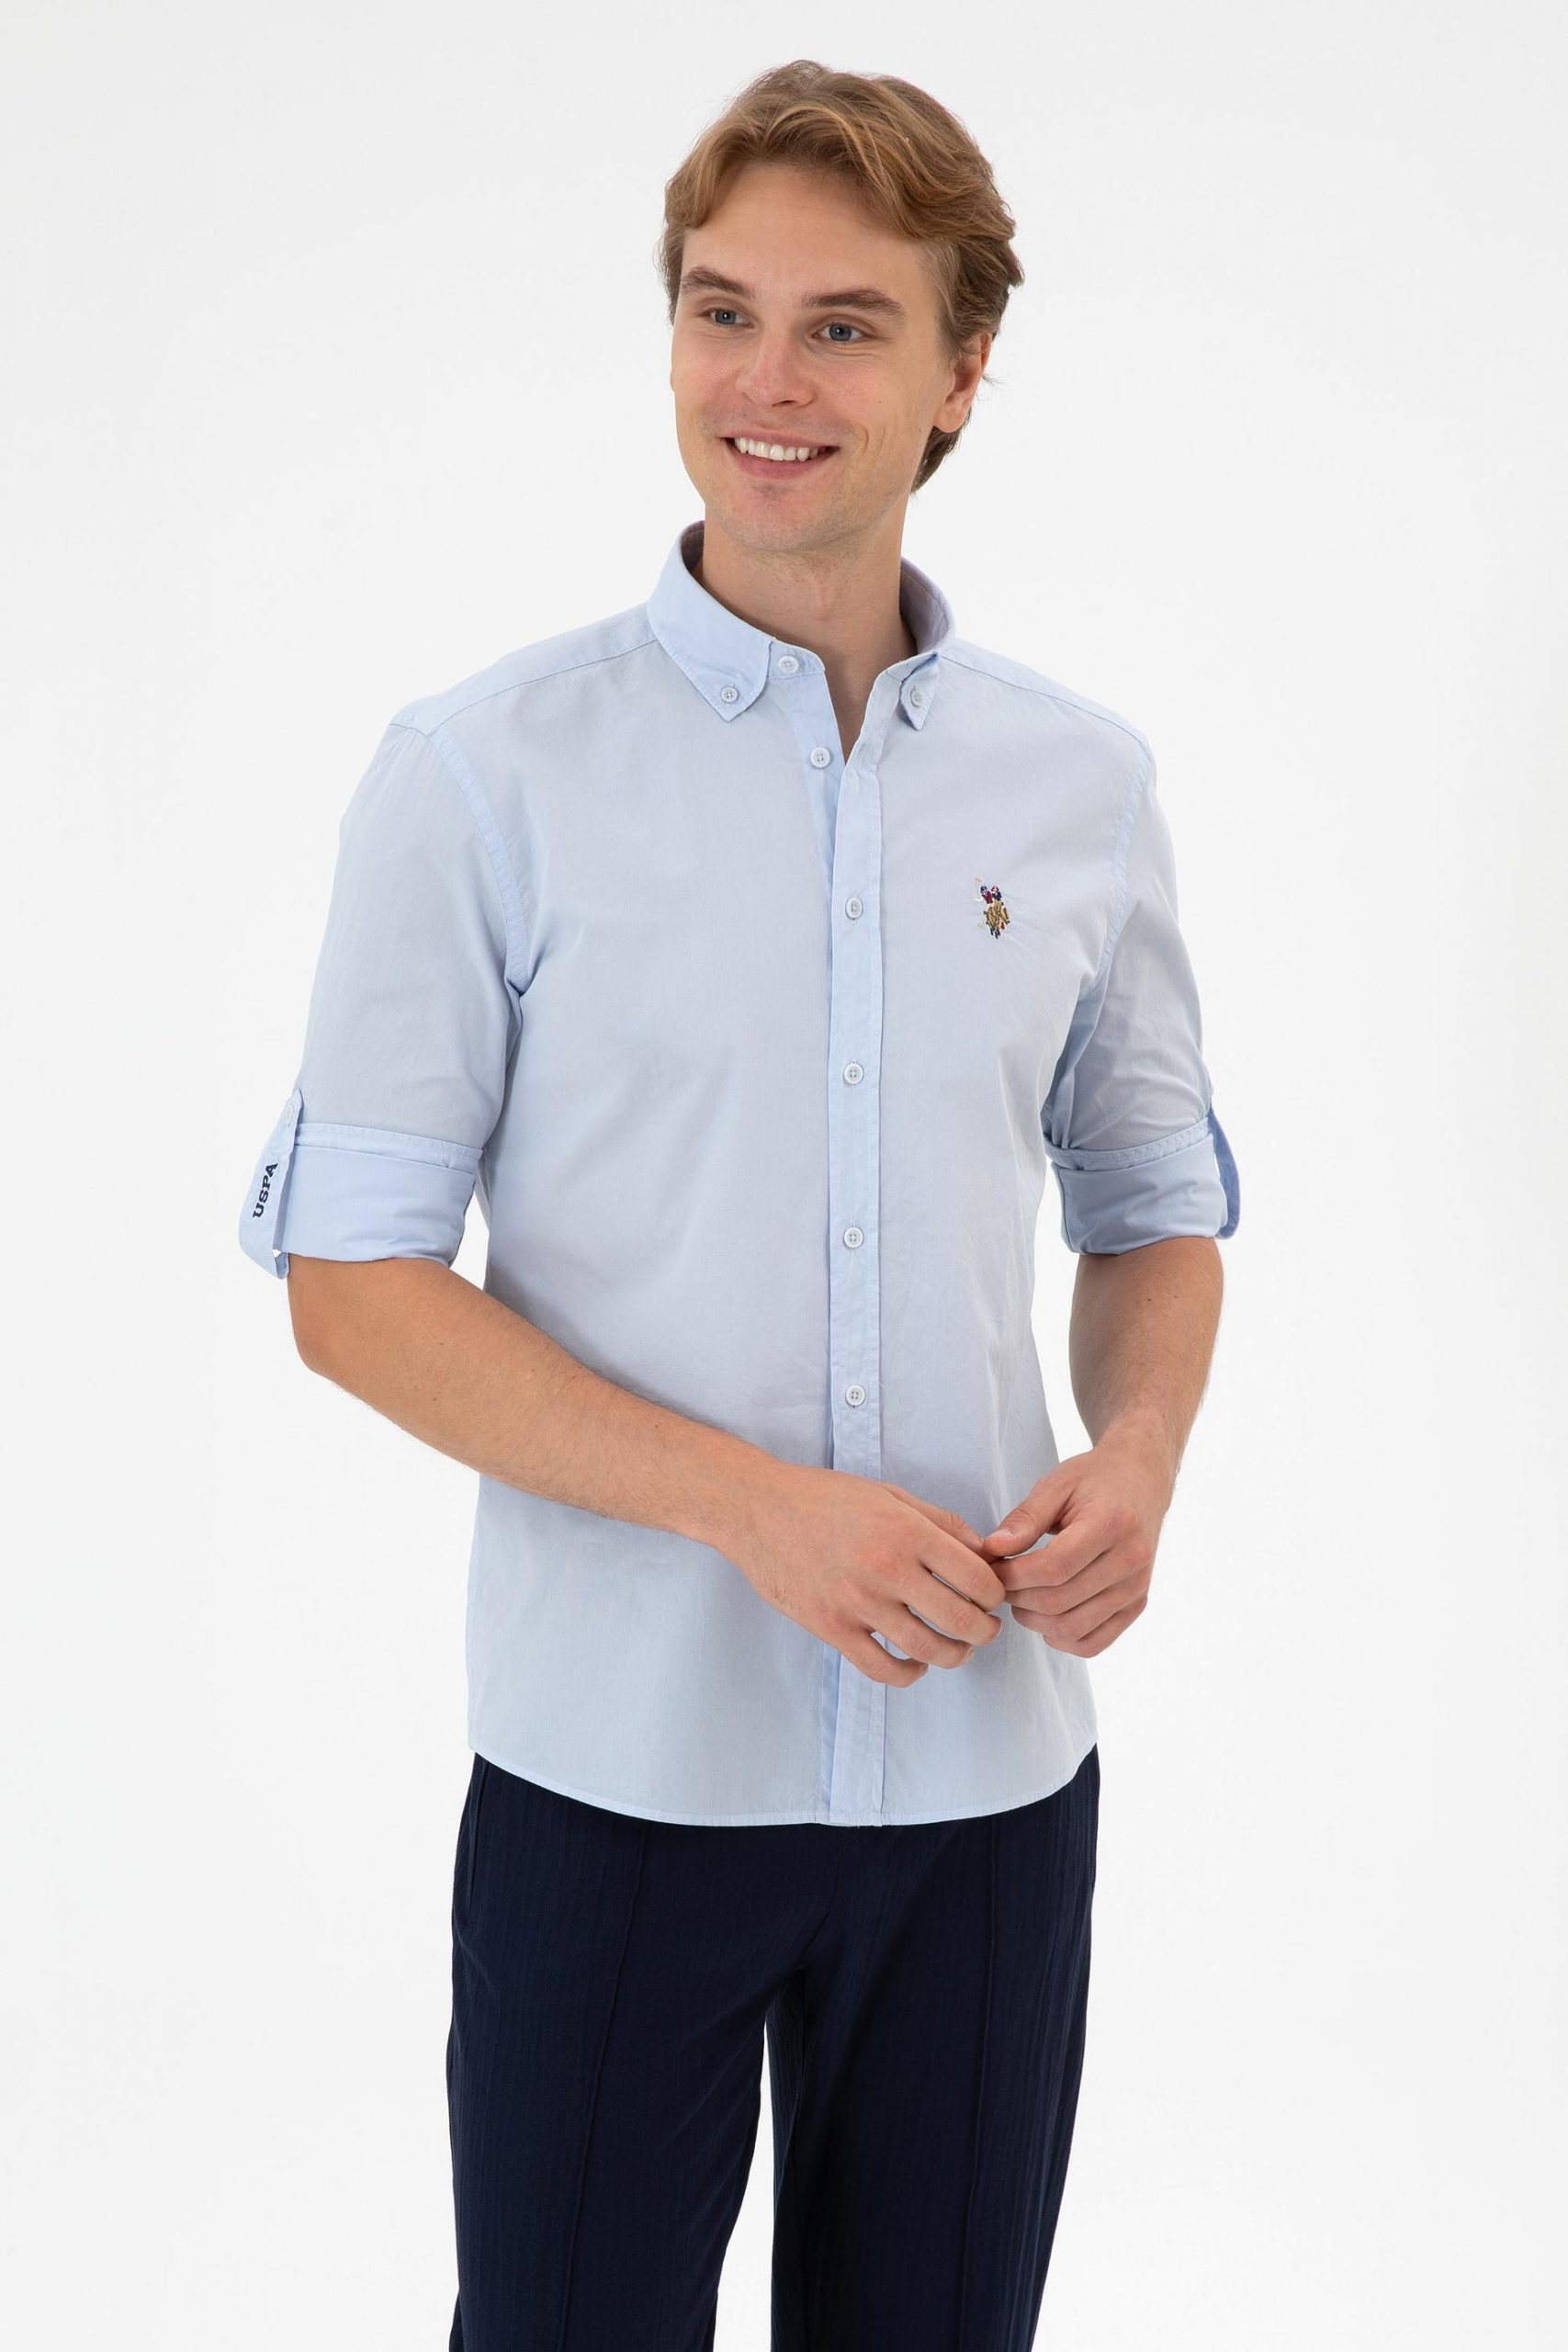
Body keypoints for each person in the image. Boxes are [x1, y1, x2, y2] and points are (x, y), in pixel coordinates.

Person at [236, 58, 1240, 2352]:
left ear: (961, 371)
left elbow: (1149, 1206)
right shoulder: (478, 775)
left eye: (842, 326)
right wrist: (748, 1511)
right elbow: (351, 1286)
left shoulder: (1079, 786)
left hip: (987, 1777)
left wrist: (1141, 1453)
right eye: (720, 312)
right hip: (616, 1773)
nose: (762, 381)